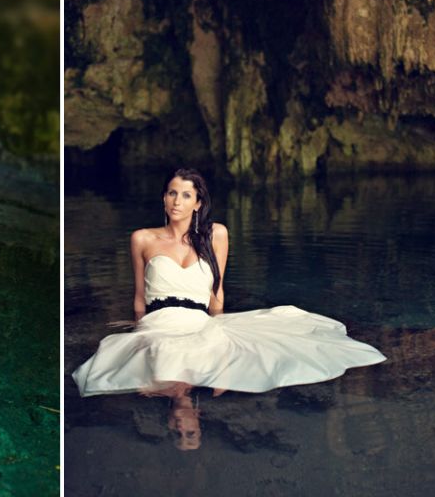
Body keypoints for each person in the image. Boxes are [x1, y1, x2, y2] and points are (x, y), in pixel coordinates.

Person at [72, 168, 386, 397]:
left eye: (185, 195)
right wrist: (139, 333)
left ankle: (190, 390)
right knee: (162, 366)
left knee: (233, 351)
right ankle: (181, 398)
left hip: (199, 320)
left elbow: (216, 293)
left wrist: (219, 329)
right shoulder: (142, 238)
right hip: (160, 320)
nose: (176, 201)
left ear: (197, 203)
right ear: (163, 198)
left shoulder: (216, 234)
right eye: (171, 193)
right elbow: (139, 297)